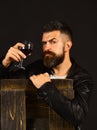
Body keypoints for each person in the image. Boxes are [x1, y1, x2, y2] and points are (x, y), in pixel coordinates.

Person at [0, 20, 93, 130]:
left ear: (67, 46)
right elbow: (7, 85)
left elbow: (77, 115)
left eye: (53, 42)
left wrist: (46, 87)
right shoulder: (36, 68)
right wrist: (4, 63)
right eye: (44, 43)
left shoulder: (82, 77)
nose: (46, 48)